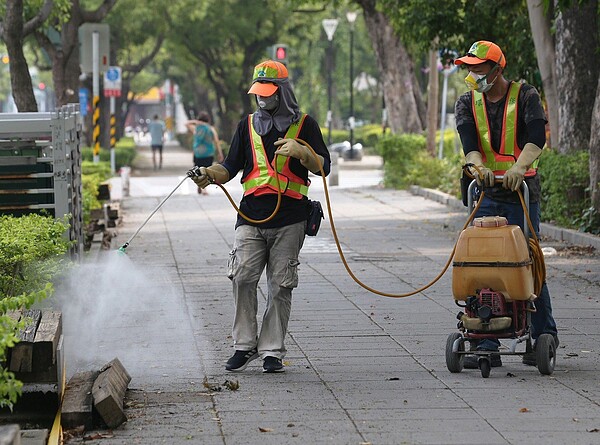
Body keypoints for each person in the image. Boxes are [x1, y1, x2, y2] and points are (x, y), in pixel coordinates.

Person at [192, 60, 331, 373]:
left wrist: (303, 152)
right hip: (251, 217)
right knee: (242, 277)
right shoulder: (248, 124)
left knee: (281, 285)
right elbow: (230, 166)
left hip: (291, 219)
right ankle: (244, 345)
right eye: (259, 93)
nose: (262, 98)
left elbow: (325, 166)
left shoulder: (305, 125)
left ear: (282, 92)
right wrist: (209, 174)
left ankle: (271, 351)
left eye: (268, 93)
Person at [454, 40, 559, 369]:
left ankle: (543, 335)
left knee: (527, 261)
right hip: (484, 192)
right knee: (480, 264)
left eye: (478, 69)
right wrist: (478, 167)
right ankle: (485, 340)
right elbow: (470, 144)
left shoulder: (525, 96)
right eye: (469, 68)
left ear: (497, 70)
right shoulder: (466, 102)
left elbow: (536, 138)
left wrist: (518, 168)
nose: (472, 74)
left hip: (521, 190)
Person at [186, 112, 224, 194]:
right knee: (206, 171)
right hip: (208, 153)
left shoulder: (196, 129)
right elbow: (216, 141)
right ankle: (204, 188)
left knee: (198, 170)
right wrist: (220, 153)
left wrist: (197, 122)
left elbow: (187, 123)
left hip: (197, 154)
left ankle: (200, 186)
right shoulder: (211, 129)